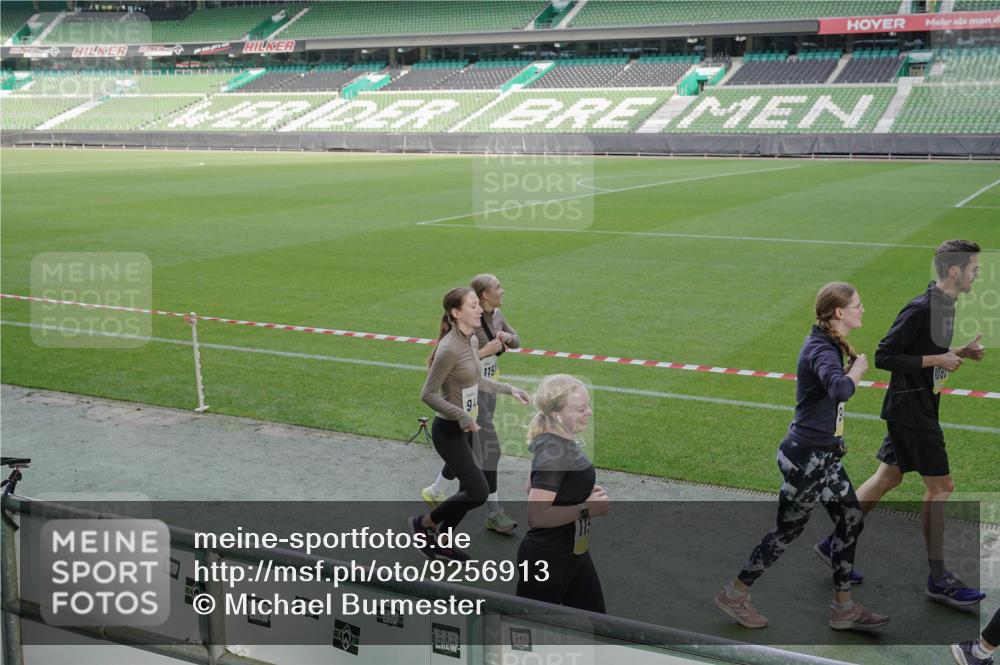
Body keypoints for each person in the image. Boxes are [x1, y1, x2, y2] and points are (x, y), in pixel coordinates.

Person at [814, 239, 986, 607]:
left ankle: (834, 545)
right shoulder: (924, 308)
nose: (977, 274)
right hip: (912, 412)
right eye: (974, 268)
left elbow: (925, 355)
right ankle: (938, 579)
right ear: (955, 271)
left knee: (887, 477)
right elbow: (885, 355)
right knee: (942, 487)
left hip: (914, 407)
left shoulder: (945, 305)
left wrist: (959, 353)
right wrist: (937, 360)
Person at [715, 283, 889, 631]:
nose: (862, 310)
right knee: (787, 531)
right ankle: (734, 594)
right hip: (807, 460)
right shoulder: (820, 349)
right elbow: (841, 390)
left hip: (824, 458)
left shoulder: (827, 344)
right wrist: (858, 370)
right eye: (858, 305)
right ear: (839, 312)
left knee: (851, 518)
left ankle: (843, 608)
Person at [411, 287, 529, 561]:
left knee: (468, 489)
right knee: (478, 491)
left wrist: (508, 389)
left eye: (478, 305)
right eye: (473, 306)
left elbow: (475, 380)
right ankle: (423, 524)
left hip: (468, 428)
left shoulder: (472, 341)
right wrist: (462, 416)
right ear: (456, 313)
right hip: (450, 432)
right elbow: (428, 394)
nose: (479, 310)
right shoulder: (448, 348)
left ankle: (442, 539)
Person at [516, 374, 609, 613]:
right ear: (557, 415)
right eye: (580, 409)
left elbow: (532, 487)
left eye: (588, 406)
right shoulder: (554, 453)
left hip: (573, 551)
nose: (589, 412)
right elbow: (537, 516)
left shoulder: (555, 440)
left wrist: (578, 491)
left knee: (596, 623)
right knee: (530, 629)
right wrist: (587, 508)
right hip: (548, 558)